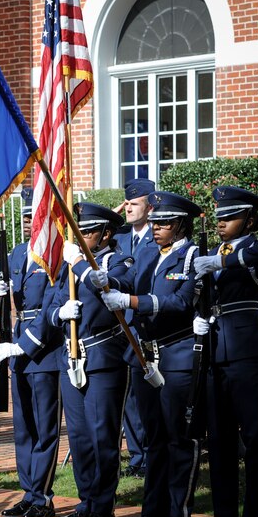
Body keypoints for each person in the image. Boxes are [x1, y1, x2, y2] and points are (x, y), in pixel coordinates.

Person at [90, 191, 204, 517]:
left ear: (181, 225)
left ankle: (178, 514)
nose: (156, 228)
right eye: (154, 222)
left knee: (177, 439)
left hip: (176, 355)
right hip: (145, 356)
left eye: (164, 223)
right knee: (153, 440)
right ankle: (152, 513)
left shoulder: (192, 257)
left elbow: (181, 302)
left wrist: (132, 301)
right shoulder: (148, 253)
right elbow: (130, 279)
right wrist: (107, 282)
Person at [193, 187, 258, 517]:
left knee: (254, 437)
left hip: (246, 347)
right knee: (221, 441)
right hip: (215, 350)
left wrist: (220, 262)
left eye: (229, 217)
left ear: (250, 219)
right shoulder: (209, 252)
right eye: (219, 219)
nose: (222, 224)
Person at [0, 190, 63, 517]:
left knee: (44, 427)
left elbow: (51, 308)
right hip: (17, 350)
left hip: (43, 349)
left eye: (34, 216)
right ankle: (28, 493)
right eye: (26, 218)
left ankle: (43, 496)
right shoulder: (16, 252)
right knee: (23, 427)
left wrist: (23, 345)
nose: (30, 223)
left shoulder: (53, 258)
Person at [48, 202, 133, 517]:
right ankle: (86, 501)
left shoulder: (119, 260)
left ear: (106, 233)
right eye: (77, 230)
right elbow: (54, 302)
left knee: (102, 436)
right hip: (71, 356)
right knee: (80, 437)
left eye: (86, 231)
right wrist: (59, 314)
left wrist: (80, 263)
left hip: (104, 357)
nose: (78, 236)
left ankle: (103, 504)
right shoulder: (70, 265)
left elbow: (110, 286)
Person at [112, 177, 156, 479]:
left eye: (135, 203)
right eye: (126, 202)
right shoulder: (121, 238)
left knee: (147, 397)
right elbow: (94, 229)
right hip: (121, 328)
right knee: (128, 398)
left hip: (147, 324)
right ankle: (137, 456)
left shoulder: (160, 235)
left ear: (150, 207)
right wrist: (116, 216)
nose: (128, 207)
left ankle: (152, 455)